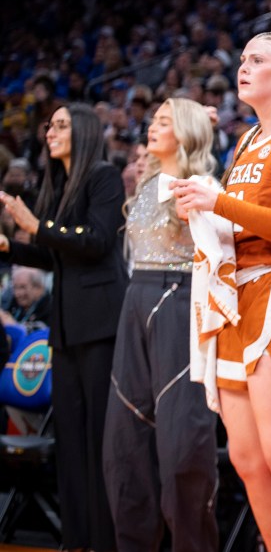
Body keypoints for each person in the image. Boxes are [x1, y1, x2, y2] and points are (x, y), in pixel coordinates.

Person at [171, 31, 271, 551]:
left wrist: (219, 204)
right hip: (236, 298)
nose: (243, 67)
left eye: (257, 60)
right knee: (247, 459)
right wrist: (200, 211)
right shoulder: (245, 141)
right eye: (242, 59)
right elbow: (240, 222)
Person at [0, 102, 128, 552]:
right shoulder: (57, 184)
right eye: (48, 126)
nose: (48, 132)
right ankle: (75, 540)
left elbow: (93, 243)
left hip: (101, 325)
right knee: (69, 441)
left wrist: (36, 226)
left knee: (98, 441)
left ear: (85, 131)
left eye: (59, 125)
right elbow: (51, 254)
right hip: (67, 328)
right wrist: (8, 247)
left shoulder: (104, 177)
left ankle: (104, 540)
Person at [102, 98, 219, 552]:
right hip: (137, 300)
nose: (152, 126)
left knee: (182, 444)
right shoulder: (146, 184)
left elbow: (220, 254)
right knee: (124, 440)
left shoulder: (202, 183)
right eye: (152, 119)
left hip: (181, 302)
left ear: (186, 131)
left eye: (165, 121)